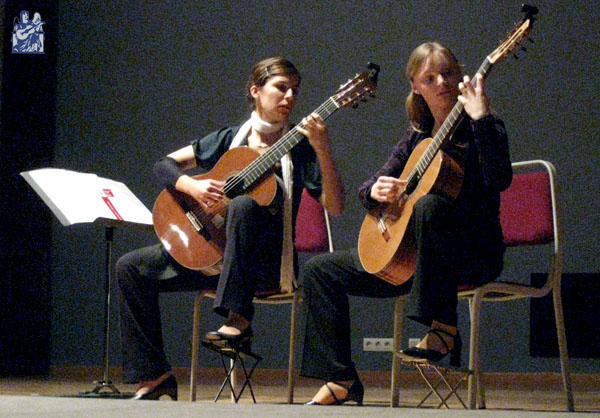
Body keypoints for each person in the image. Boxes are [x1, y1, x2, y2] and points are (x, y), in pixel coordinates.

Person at [117, 56, 345, 400]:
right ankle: (155, 376)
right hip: (218, 259)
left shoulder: (300, 148)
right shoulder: (228, 140)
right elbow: (163, 165)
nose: (289, 97)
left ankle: (239, 320)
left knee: (241, 204)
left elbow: (337, 206)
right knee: (130, 268)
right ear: (255, 90)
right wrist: (192, 187)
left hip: (266, 267)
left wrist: (323, 149)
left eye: (295, 91)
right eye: (280, 88)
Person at [299, 41, 512, 406]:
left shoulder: (482, 125)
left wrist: (482, 120)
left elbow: (499, 179)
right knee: (320, 271)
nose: (442, 82)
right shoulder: (416, 136)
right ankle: (340, 378)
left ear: (461, 75)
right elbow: (368, 189)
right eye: (430, 77)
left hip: (471, 255)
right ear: (415, 85)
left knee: (430, 205)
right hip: (414, 259)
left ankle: (443, 326)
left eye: (448, 73)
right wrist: (377, 192)